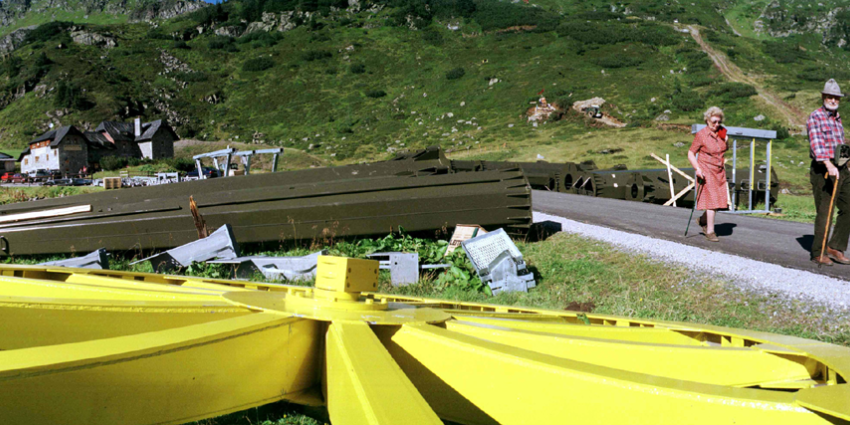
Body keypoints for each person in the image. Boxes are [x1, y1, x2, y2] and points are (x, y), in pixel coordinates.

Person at [808, 78, 850, 266]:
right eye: (830, 97)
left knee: (849, 205)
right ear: (824, 97)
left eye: (836, 98)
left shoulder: (837, 118)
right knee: (826, 211)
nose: (833, 100)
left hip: (841, 168)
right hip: (823, 169)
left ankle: (835, 247)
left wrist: (847, 163)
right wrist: (828, 164)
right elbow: (817, 143)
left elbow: (840, 144)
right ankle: (819, 251)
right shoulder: (816, 116)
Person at [688, 106, 729, 242]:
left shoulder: (722, 133)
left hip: (719, 171)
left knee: (718, 201)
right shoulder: (701, 135)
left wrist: (726, 140)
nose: (716, 124)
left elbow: (723, 150)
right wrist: (697, 169)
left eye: (719, 122)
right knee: (712, 201)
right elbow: (691, 153)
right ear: (707, 121)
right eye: (714, 122)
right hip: (706, 170)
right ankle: (710, 231)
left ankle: (703, 220)